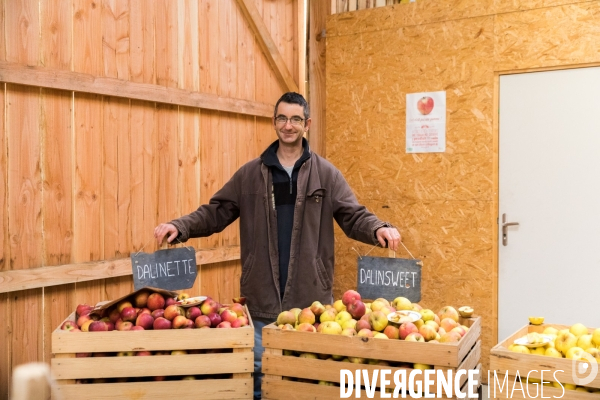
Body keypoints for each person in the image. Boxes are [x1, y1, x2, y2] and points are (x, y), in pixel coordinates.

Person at [154, 92, 401, 399]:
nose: (288, 125)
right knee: (260, 378)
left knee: (307, 380)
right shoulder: (249, 175)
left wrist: (379, 227)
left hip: (310, 302)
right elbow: (216, 212)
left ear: (306, 124)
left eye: (296, 119)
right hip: (262, 301)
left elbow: (353, 214)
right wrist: (180, 226)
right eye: (282, 118)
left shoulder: (325, 174)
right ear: (274, 122)